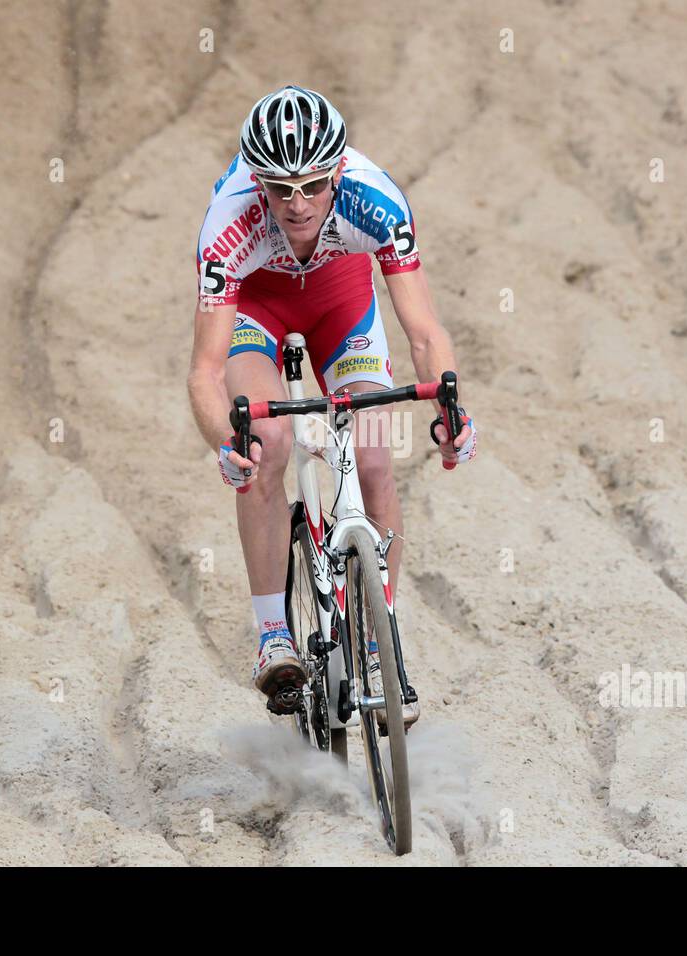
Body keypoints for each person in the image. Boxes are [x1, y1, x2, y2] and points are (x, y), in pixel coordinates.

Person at [186, 86, 478, 728]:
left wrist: (454, 412)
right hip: (256, 309)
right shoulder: (229, 223)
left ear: (338, 172)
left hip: (341, 302)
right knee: (268, 443)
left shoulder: (376, 200)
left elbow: (424, 332)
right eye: (280, 188)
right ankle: (274, 634)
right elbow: (205, 370)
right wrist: (223, 441)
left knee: (375, 461)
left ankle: (379, 640)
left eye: (313, 185)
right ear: (257, 180)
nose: (296, 204)